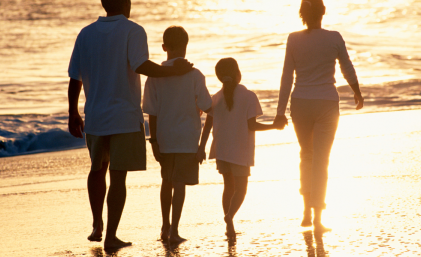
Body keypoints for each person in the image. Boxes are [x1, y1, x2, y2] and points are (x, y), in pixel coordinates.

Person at [67, 0, 193, 249]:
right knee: (117, 177)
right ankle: (111, 236)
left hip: (95, 116)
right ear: (126, 4)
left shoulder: (86, 33)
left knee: (97, 169)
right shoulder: (133, 30)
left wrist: (73, 112)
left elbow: (75, 77)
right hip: (123, 117)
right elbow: (142, 66)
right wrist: (174, 71)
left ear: (104, 4)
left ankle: (96, 224)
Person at [274, 0, 364, 233]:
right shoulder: (334, 37)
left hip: (300, 103)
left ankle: (305, 210)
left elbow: (286, 76)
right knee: (321, 159)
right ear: (323, 12)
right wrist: (357, 92)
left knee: (307, 154)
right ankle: (317, 218)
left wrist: (279, 111)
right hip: (326, 103)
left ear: (301, 14)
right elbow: (347, 67)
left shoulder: (293, 39)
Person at [198, 58, 286, 239]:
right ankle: (229, 217)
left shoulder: (215, 98)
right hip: (240, 150)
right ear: (238, 74)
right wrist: (274, 126)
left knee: (228, 187)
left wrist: (201, 148)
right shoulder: (248, 96)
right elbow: (252, 126)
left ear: (219, 77)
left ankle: (229, 225)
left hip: (221, 149)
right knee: (241, 189)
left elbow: (207, 127)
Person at [142, 26, 212, 245]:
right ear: (186, 46)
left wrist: (153, 141)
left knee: (166, 182)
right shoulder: (195, 75)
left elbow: (151, 112)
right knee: (179, 184)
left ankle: (164, 227)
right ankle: (174, 229)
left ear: (164, 47)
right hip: (187, 139)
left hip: (164, 137)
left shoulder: (154, 77)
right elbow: (208, 107)